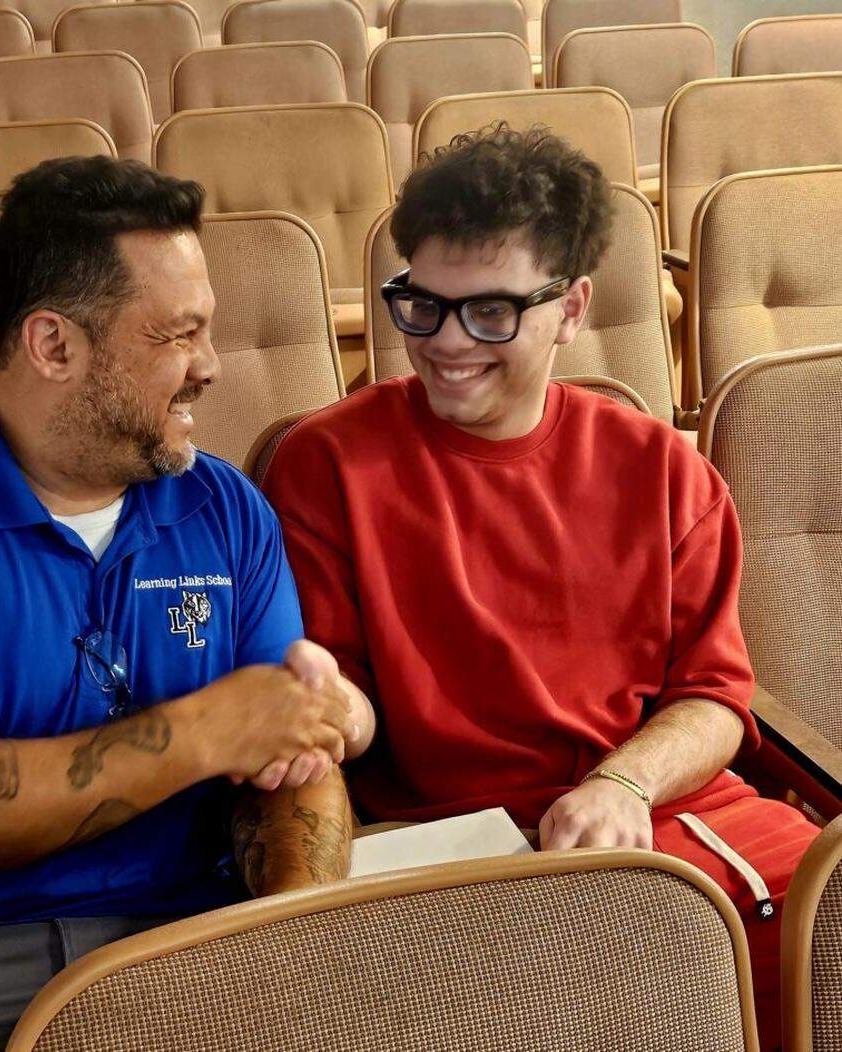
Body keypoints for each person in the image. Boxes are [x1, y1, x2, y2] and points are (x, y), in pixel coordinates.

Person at [0, 156, 374, 1051]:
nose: (212, 366)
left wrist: (286, 939)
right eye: (179, 334)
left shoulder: (223, 508)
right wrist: (209, 729)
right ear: (53, 345)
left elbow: (293, 761)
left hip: (181, 935)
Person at [261, 124, 819, 1051]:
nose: (444, 345)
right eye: (422, 307)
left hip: (660, 813)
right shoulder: (327, 462)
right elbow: (341, 700)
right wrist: (324, 705)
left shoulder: (664, 473)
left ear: (571, 308)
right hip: (461, 852)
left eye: (490, 314)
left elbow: (715, 698)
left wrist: (623, 781)